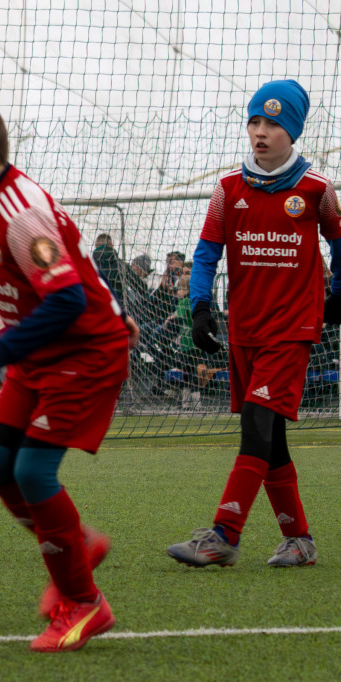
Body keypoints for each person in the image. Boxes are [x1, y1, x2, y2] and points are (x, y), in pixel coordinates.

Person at [0, 94, 136, 653]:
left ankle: (84, 603)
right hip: (42, 357)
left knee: (35, 473)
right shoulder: (4, 202)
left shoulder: (18, 213)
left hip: (80, 357)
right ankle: (74, 544)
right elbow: (77, 270)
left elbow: (65, 299)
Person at [167, 80, 341, 569]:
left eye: (274, 123)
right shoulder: (227, 190)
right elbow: (205, 254)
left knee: (256, 428)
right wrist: (201, 306)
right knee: (271, 440)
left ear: (293, 132)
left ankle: (223, 535)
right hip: (245, 331)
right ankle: (300, 540)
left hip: (293, 331)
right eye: (255, 121)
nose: (261, 132)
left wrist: (340, 293)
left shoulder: (317, 191)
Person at [91, 233, 122, 300]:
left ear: (96, 246)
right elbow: (141, 286)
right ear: (111, 245)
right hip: (118, 306)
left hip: (96, 304)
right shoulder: (122, 265)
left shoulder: (89, 265)